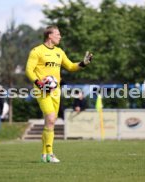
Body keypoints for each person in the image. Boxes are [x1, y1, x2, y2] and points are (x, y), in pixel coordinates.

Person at [25, 25, 93, 163]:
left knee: (50, 122)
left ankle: (44, 154)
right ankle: (50, 154)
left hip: (56, 91)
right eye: (58, 34)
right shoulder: (37, 51)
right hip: (42, 90)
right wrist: (39, 83)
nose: (60, 36)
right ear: (49, 35)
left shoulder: (59, 52)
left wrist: (83, 63)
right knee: (50, 118)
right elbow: (29, 70)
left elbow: (70, 66)